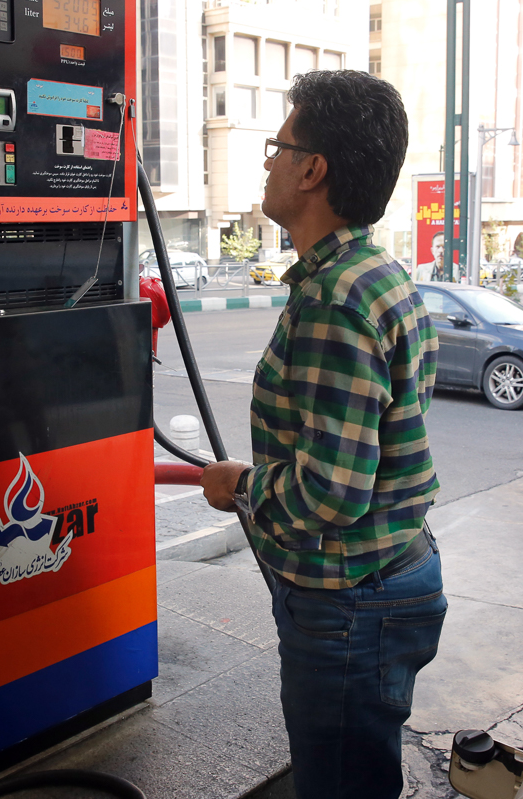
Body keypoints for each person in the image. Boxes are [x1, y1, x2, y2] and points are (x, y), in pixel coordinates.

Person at [200, 70, 445, 799]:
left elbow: (331, 494)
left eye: (278, 145)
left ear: (313, 170)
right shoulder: (373, 273)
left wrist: (241, 486)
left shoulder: (337, 301)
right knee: (359, 772)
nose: (268, 161)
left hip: (350, 601)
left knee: (340, 785)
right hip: (386, 573)